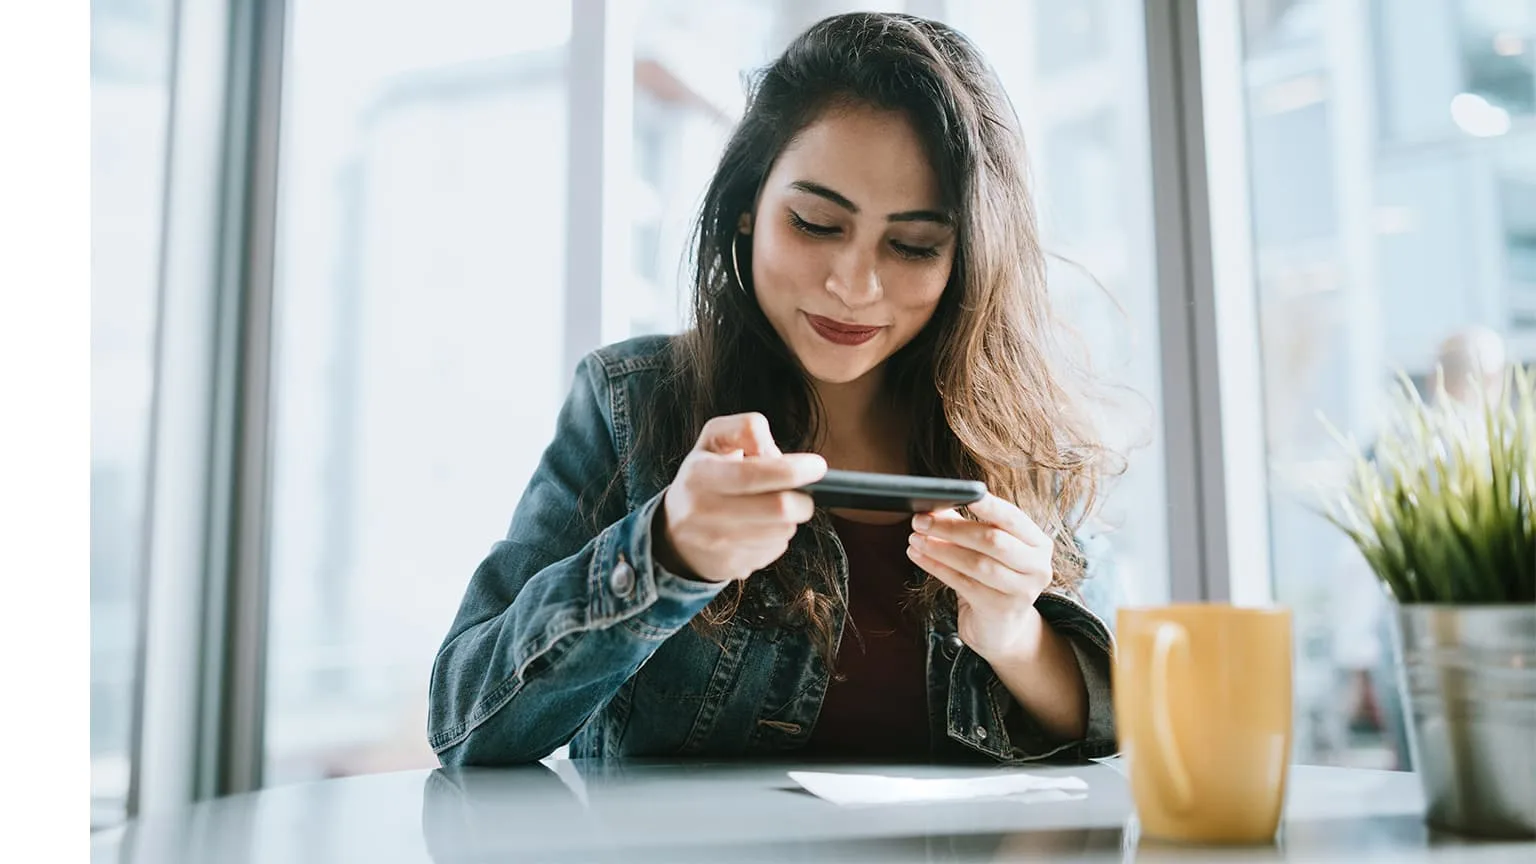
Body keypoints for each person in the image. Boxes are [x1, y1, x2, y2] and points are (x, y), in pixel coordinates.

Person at [428, 12, 1121, 766]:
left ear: (967, 260)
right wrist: (666, 552)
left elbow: (1114, 724)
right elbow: (465, 723)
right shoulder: (631, 404)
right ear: (749, 207)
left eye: (913, 245)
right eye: (816, 223)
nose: (854, 285)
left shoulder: (1016, 439)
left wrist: (1016, 632)